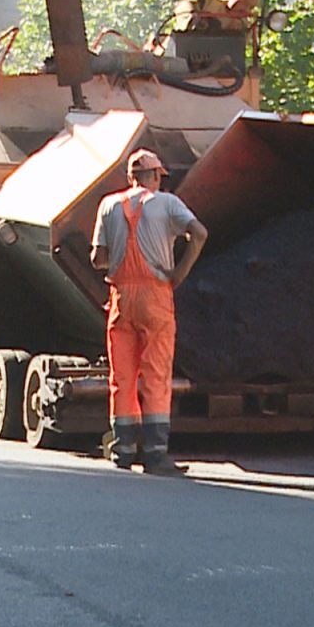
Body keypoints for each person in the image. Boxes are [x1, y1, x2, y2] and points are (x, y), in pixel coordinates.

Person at [90, 149, 208, 475]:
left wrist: (120, 255)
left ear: (130, 178)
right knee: (156, 374)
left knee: (123, 376)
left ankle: (123, 450)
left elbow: (97, 259)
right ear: (155, 177)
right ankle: (155, 454)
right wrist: (180, 272)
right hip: (155, 295)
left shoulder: (108, 205)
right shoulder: (168, 203)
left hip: (121, 297)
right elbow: (200, 233)